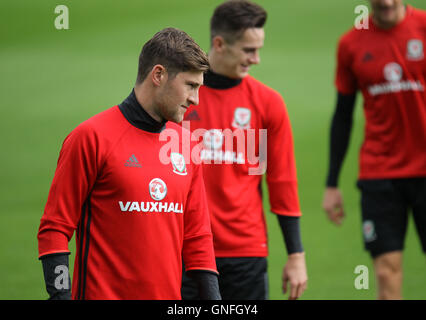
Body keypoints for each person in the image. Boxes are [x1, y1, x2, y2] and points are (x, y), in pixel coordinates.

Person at [37, 27, 221, 300]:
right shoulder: (90, 138)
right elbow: (55, 228)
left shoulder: (186, 145)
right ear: (158, 75)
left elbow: (197, 238)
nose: (195, 99)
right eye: (190, 86)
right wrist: (61, 296)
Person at [181, 0, 308, 300]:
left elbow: (283, 182)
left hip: (245, 254)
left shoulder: (268, 103)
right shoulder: (180, 98)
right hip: (184, 250)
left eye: (259, 49)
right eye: (249, 50)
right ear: (220, 44)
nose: (256, 59)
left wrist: (296, 255)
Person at [322, 0, 426, 300]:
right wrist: (331, 183)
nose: (387, 3)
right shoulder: (351, 43)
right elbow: (342, 115)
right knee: (384, 270)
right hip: (380, 173)